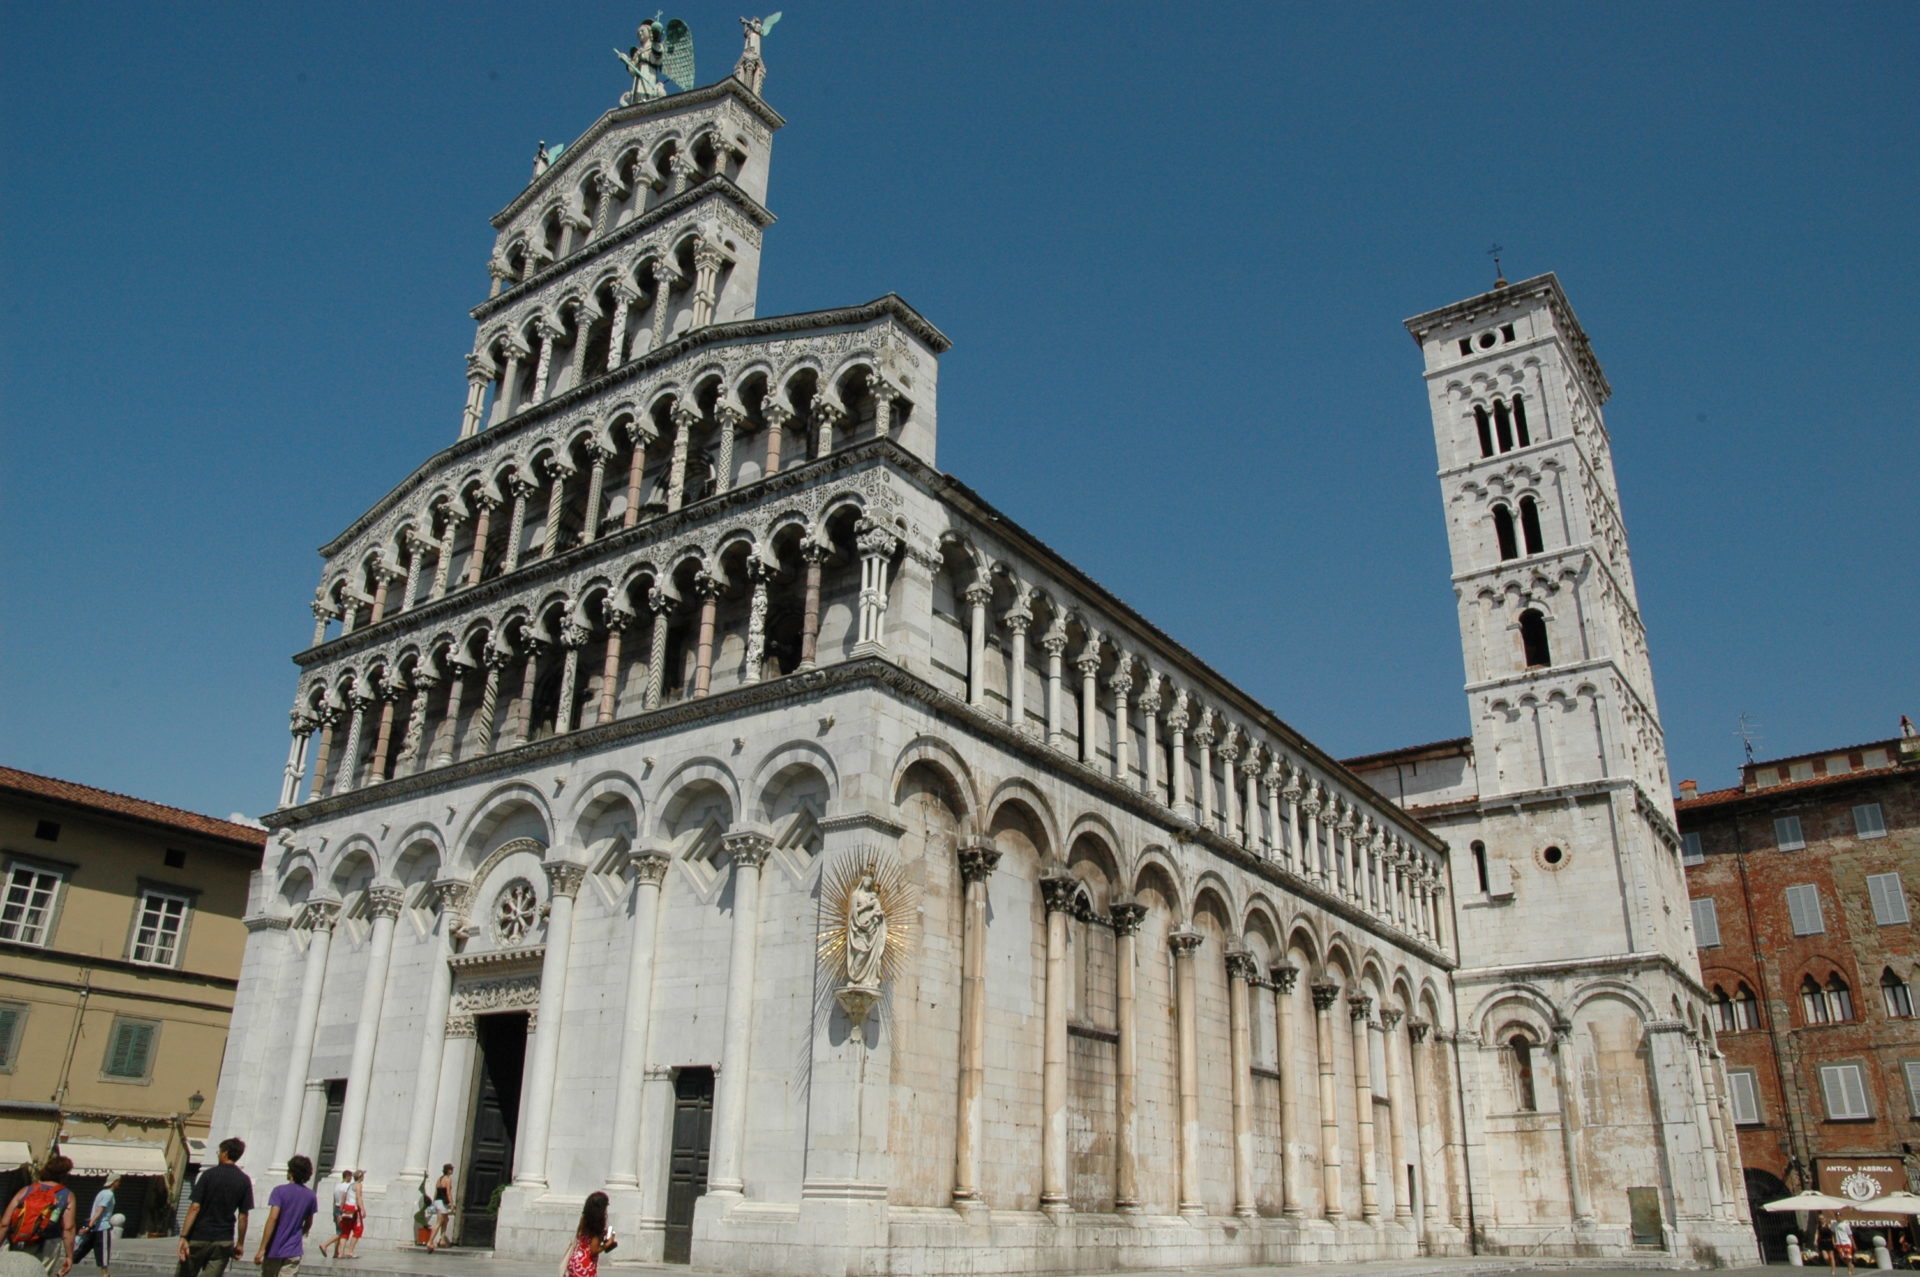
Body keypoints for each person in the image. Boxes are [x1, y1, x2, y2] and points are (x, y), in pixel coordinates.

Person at [179, 1138, 253, 1277]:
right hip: (223, 1239)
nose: (218, 1155)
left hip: (199, 1235)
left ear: (225, 1153)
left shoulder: (208, 1175)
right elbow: (243, 1216)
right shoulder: (244, 1180)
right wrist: (240, 1243)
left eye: (219, 1152)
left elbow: (195, 1207)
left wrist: (184, 1236)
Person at [1, 1154, 76, 1275]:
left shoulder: (27, 1190)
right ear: (64, 1175)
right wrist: (69, 1256)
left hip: (19, 1240)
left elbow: (4, 1223)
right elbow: (68, 1228)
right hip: (48, 1244)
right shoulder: (67, 1195)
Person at [253, 1155, 318, 1277]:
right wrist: (298, 1234)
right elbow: (308, 1223)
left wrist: (262, 1248)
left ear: (291, 1172)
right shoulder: (311, 1195)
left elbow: (273, 1218)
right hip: (293, 1250)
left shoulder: (279, 1191)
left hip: (274, 1249)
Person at [68, 1177, 118, 1276]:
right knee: (103, 1253)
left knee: (81, 1250)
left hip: (94, 1227)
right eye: (119, 1181)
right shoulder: (109, 1194)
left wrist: (89, 1226)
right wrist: (89, 1226)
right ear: (114, 1182)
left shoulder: (101, 1192)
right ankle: (105, 1274)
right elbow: (100, 1210)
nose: (119, 1184)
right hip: (102, 1227)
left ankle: (63, 1268)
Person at [561, 1193, 615, 1277]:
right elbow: (594, 1250)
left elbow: (579, 1236)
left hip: (575, 1260)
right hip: (586, 1265)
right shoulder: (597, 1226)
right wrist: (607, 1244)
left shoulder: (584, 1219)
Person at [317, 1173, 353, 1260]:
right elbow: (345, 1199)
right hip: (342, 1209)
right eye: (350, 1176)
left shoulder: (337, 1186)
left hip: (336, 1209)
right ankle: (325, 1245)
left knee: (339, 1230)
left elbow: (334, 1200)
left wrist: (335, 1212)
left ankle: (336, 1252)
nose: (351, 1178)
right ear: (347, 1177)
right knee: (341, 1232)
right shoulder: (347, 1186)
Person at [423, 1166, 454, 1253]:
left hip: (437, 1201)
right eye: (451, 1169)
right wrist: (452, 1204)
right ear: (448, 1170)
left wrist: (434, 1203)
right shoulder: (448, 1179)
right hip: (442, 1202)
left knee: (446, 1219)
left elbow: (436, 1191)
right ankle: (430, 1241)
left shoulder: (439, 1179)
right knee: (439, 1222)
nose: (452, 1171)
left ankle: (442, 1240)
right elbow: (448, 1192)